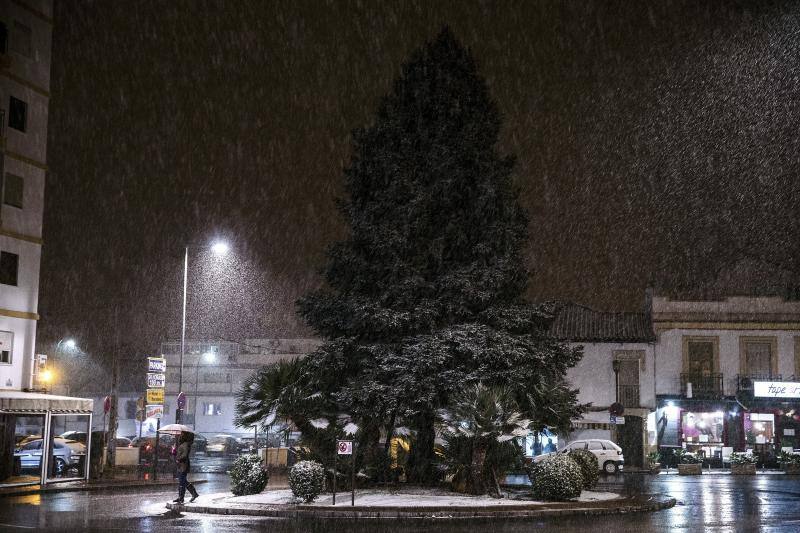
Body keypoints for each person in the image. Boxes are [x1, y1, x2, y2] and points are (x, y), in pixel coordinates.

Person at [173, 431, 199, 504]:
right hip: (181, 465)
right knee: (182, 481)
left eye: (182, 434)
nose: (180, 436)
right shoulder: (183, 444)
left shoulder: (185, 444)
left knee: (182, 481)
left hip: (183, 465)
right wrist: (174, 450)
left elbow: (185, 455)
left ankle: (182, 498)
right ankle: (190, 495)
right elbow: (177, 454)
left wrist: (179, 459)